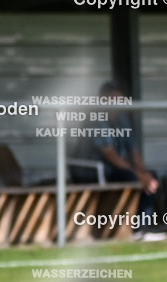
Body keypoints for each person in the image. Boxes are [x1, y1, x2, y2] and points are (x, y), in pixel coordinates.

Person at [70, 82, 164, 241]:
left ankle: (144, 227)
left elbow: (133, 151)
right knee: (134, 178)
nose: (117, 104)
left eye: (119, 100)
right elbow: (110, 155)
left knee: (151, 176)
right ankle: (137, 229)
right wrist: (139, 175)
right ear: (102, 99)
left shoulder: (121, 120)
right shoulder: (96, 119)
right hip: (90, 170)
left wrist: (144, 172)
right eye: (112, 99)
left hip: (111, 168)